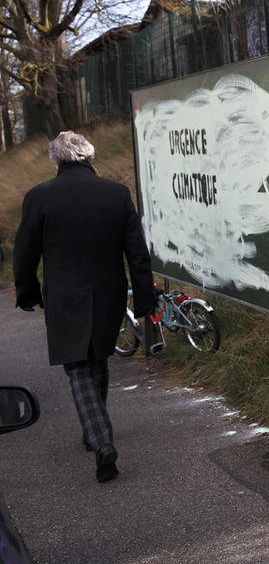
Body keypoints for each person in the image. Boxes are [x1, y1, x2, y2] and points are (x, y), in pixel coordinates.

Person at [13, 131, 155, 483]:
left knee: (78, 366)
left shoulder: (39, 197)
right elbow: (136, 252)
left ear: (56, 159)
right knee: (96, 358)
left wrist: (27, 290)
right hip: (108, 294)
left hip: (64, 295)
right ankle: (93, 429)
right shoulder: (116, 194)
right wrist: (143, 298)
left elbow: (25, 251)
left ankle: (102, 440)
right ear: (90, 157)